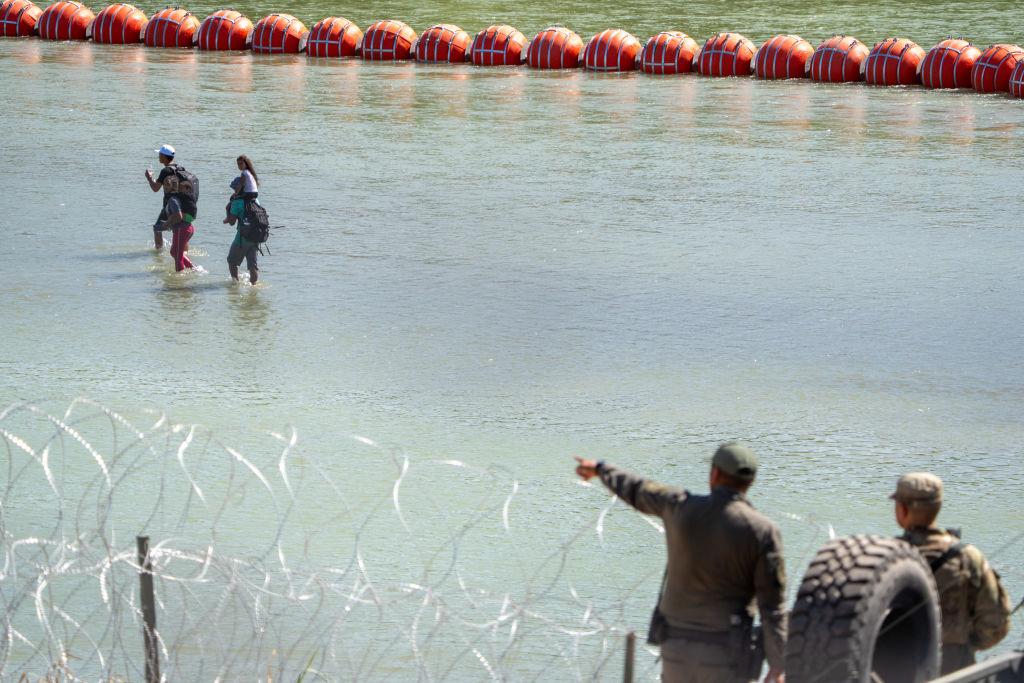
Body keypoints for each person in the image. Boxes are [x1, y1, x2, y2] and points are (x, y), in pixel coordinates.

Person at [574, 443, 786, 683]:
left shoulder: (679, 507)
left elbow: (638, 489)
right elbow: (772, 607)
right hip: (726, 655)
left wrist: (601, 469)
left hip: (676, 650)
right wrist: (778, 665)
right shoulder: (762, 531)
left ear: (714, 474)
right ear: (750, 482)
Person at [891, 472, 1011, 675]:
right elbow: (996, 623)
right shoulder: (969, 557)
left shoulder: (887, 555)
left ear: (902, 510)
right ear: (938, 507)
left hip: (894, 666)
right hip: (955, 668)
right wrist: (965, 645)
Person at [225, 155, 260, 284]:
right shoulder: (255, 200)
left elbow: (232, 222)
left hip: (243, 237)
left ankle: (235, 285)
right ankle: (253, 289)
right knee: (252, 267)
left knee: (231, 261)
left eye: (235, 188)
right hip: (256, 236)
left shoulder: (237, 202)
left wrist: (228, 210)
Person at [144, 144, 178, 249]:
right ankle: (184, 252)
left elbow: (155, 188)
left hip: (169, 206)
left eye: (159, 154)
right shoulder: (178, 168)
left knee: (157, 229)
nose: (158, 156)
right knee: (178, 230)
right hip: (181, 205)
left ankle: (158, 254)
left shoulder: (165, 171)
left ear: (164, 156)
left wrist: (149, 178)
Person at [159, 193, 196, 271]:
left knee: (177, 255)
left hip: (182, 229)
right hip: (186, 228)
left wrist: (167, 224)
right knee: (173, 252)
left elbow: (179, 216)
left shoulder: (173, 200)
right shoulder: (177, 198)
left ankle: (179, 279)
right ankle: (193, 268)